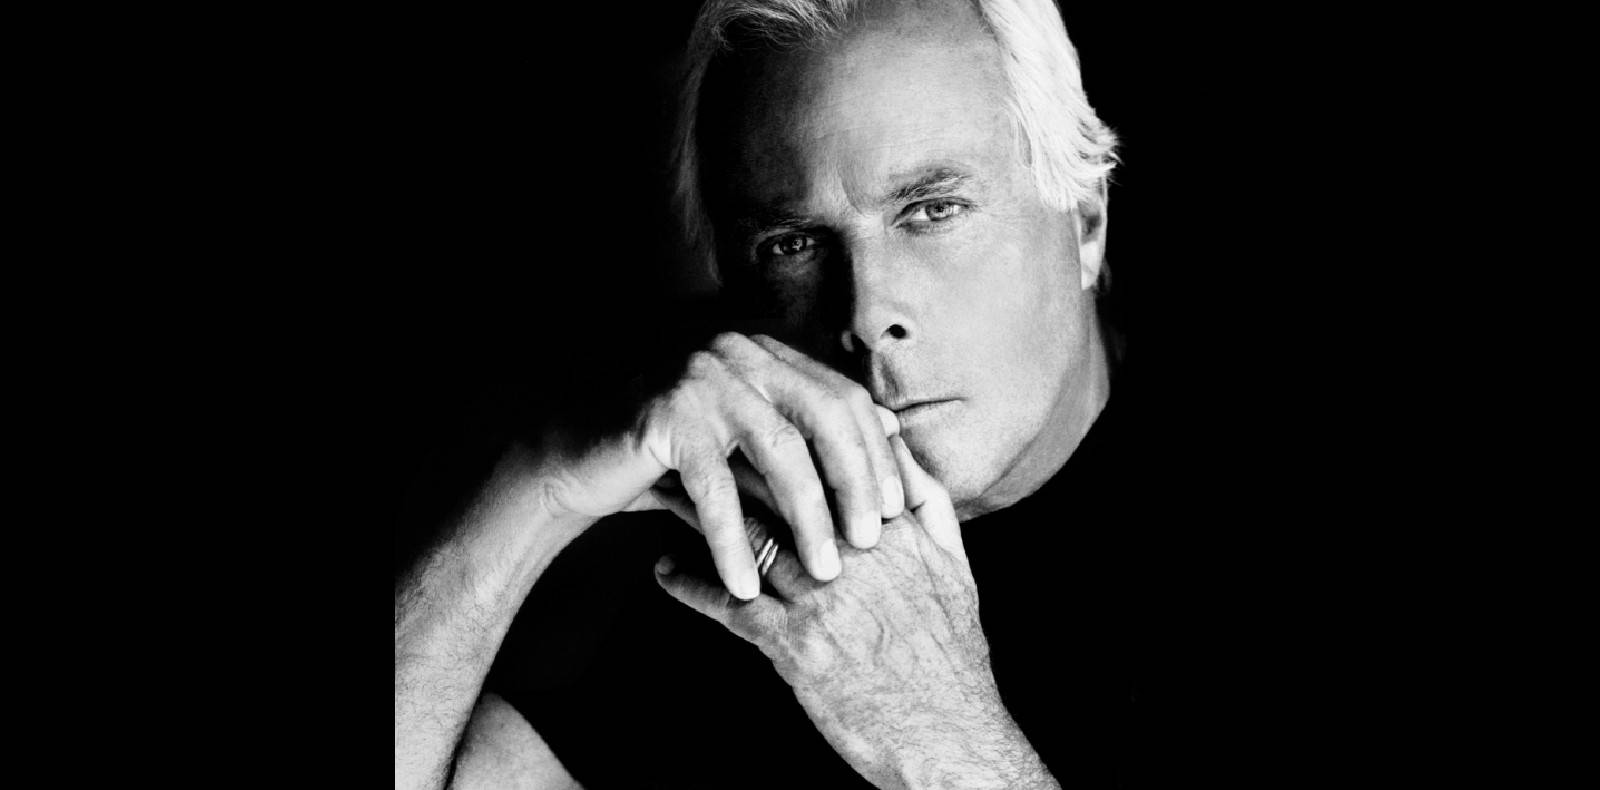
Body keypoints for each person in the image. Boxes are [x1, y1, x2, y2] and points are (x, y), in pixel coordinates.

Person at [394, 0, 1133, 786]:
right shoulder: (744, 565)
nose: (866, 312)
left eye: (932, 210)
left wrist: (934, 733)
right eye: (792, 244)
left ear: (1086, 223)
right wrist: (538, 484)